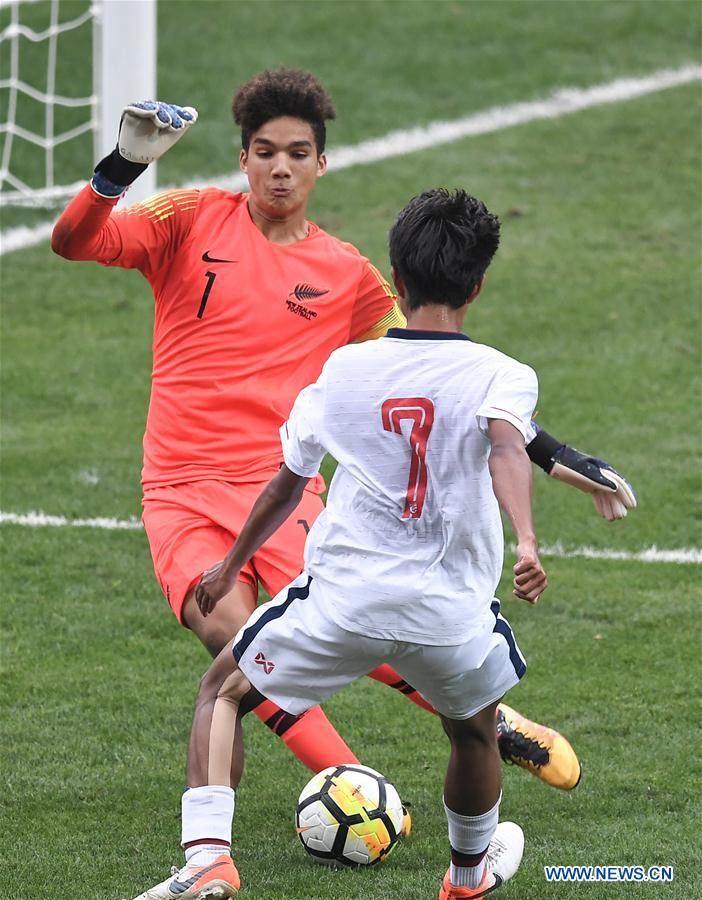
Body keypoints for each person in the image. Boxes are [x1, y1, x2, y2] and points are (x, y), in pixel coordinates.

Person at [51, 70, 634, 792]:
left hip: (285, 489)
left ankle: (493, 719)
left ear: (321, 164)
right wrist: (123, 166)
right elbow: (73, 242)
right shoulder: (189, 218)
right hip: (179, 489)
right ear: (243, 159)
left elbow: (447, 376)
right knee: (234, 642)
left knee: (352, 624)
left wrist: (558, 457)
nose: (280, 167)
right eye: (264, 151)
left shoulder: (347, 273)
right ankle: (352, 787)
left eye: (298, 152)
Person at [131, 187, 551, 900]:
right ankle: (469, 877)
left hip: (342, 603)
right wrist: (526, 543)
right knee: (476, 731)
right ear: (477, 286)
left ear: (397, 277)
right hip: (447, 611)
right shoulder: (503, 375)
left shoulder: (343, 372)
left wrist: (229, 565)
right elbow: (510, 448)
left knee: (224, 690)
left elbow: (285, 486)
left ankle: (208, 859)